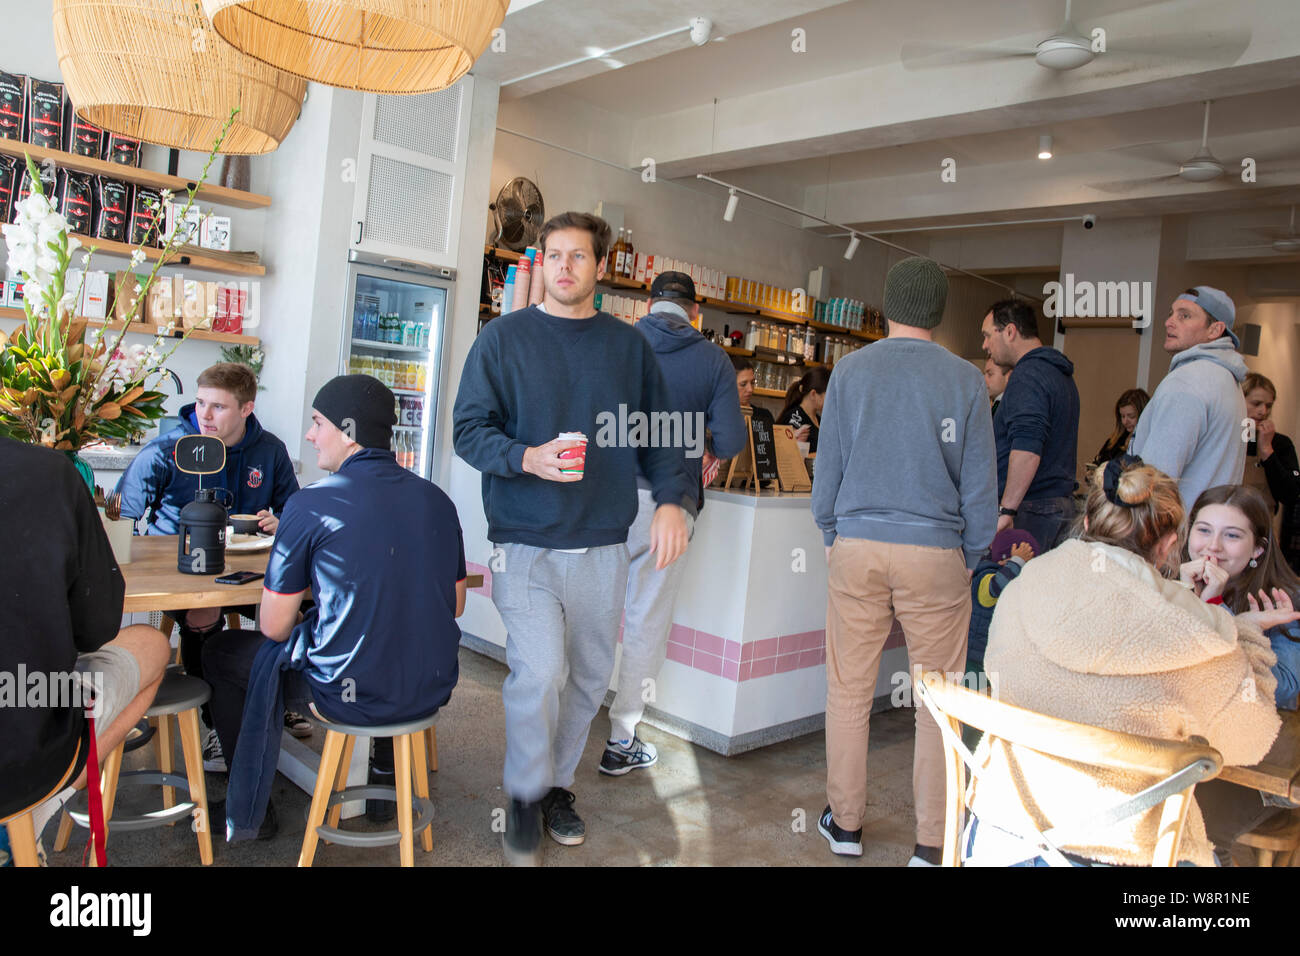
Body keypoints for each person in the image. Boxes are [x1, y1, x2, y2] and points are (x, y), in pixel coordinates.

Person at [453, 211, 691, 865]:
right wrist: (526, 458)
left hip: (604, 545)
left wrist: (672, 502)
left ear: (600, 267)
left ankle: (558, 786)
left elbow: (663, 434)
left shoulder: (627, 348)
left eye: (577, 256)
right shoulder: (503, 341)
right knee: (538, 672)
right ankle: (527, 796)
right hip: (524, 542)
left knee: (589, 677)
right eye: (554, 255)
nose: (563, 267)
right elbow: (467, 429)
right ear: (544, 262)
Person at [966, 457, 1281, 866]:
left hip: (1001, 834)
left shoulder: (1026, 585)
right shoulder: (1201, 634)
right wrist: (1249, 636)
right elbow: (1250, 741)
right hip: (1122, 849)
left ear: (1090, 521)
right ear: (1170, 544)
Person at [206, 375, 467, 840]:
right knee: (388, 632)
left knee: (220, 652)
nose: (309, 434)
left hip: (347, 693)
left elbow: (273, 625)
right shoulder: (438, 500)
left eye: (317, 422)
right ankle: (386, 784)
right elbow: (457, 603)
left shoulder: (311, 504)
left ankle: (252, 809)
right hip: (428, 687)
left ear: (348, 431)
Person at [812, 256, 998, 866]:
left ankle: (845, 826)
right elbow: (979, 483)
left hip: (858, 545)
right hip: (935, 551)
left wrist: (832, 530)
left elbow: (829, 464)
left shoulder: (850, 370)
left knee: (848, 690)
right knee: (938, 700)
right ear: (940, 312)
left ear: (890, 306)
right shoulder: (966, 379)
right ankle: (930, 843)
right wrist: (970, 552)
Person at [114, 362, 303, 770]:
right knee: (204, 610)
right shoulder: (166, 450)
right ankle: (218, 723)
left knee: (301, 605)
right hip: (185, 573)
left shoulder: (270, 451)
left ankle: (281, 698)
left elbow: (295, 512)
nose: (204, 413)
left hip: (250, 569)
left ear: (247, 408)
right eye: (200, 402)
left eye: (218, 406)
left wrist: (279, 520)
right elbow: (121, 515)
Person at [602, 271, 748, 776]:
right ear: (695, 312)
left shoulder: (617, 342)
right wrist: (702, 440)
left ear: (648, 304)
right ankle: (621, 740)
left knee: (591, 608)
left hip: (606, 498)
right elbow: (731, 442)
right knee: (646, 620)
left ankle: (564, 727)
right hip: (671, 505)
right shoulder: (713, 359)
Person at [0, 437, 169, 850]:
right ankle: (24, 825)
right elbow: (94, 630)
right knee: (153, 645)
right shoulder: (51, 472)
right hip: (24, 758)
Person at [1179, 483, 1300, 863]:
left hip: (1259, 766)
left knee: (1197, 829)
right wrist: (1185, 600)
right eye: (1203, 530)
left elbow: (1281, 690)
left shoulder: (1283, 598)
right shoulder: (1171, 585)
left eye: (1231, 536)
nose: (1212, 547)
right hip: (1188, 747)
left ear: (1258, 550)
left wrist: (1219, 610)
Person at [1129, 286, 1247, 509]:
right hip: (1208, 529)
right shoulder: (1229, 381)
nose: (1169, 322)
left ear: (1215, 330)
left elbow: (1154, 481)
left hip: (1170, 534)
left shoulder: (1187, 382)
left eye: (1184, 316)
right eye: (1171, 314)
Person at [981, 298, 1080, 550]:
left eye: (988, 335)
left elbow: (1028, 446)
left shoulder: (1028, 375)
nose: (985, 345)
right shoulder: (1058, 374)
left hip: (1032, 509)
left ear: (1010, 331)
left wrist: (1007, 510)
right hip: (1056, 506)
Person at [1240, 373, 1300, 573]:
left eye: (1268, 405)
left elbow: (1291, 494)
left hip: (1263, 534)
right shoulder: (1226, 437)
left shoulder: (1281, 444)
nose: (1262, 411)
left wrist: (1267, 451)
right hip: (1227, 527)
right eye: (1256, 403)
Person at [729, 355, 774, 487]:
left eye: (752, 383)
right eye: (743, 384)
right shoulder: (718, 417)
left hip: (759, 490)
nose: (750, 389)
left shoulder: (764, 416)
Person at [1089, 387, 1149, 468]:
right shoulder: (1115, 440)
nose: (1125, 421)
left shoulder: (1146, 445)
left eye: (1131, 416)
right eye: (1122, 416)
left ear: (1143, 415)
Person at [777, 366, 829, 454]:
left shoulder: (819, 420)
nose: (830, 401)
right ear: (813, 394)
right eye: (828, 396)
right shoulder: (794, 418)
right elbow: (784, 454)